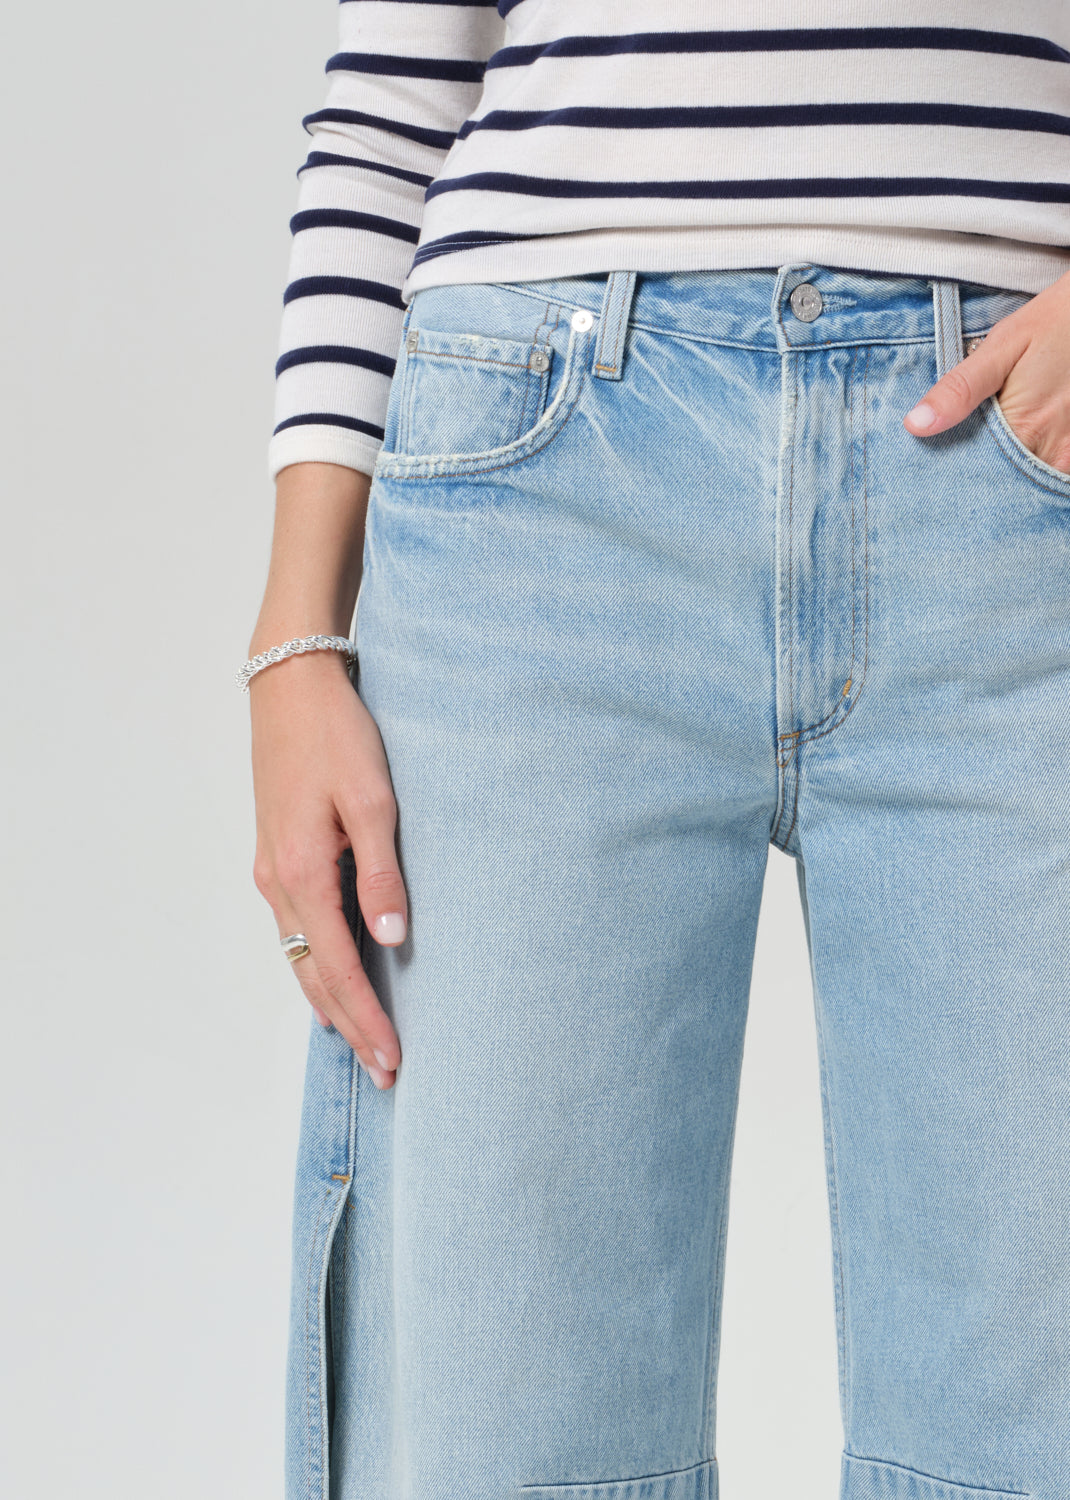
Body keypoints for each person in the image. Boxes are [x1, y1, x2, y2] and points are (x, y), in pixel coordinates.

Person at [242, 6, 1070, 1498]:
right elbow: (387, 105)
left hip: (1020, 487)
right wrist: (295, 639)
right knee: (500, 1439)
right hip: (540, 490)